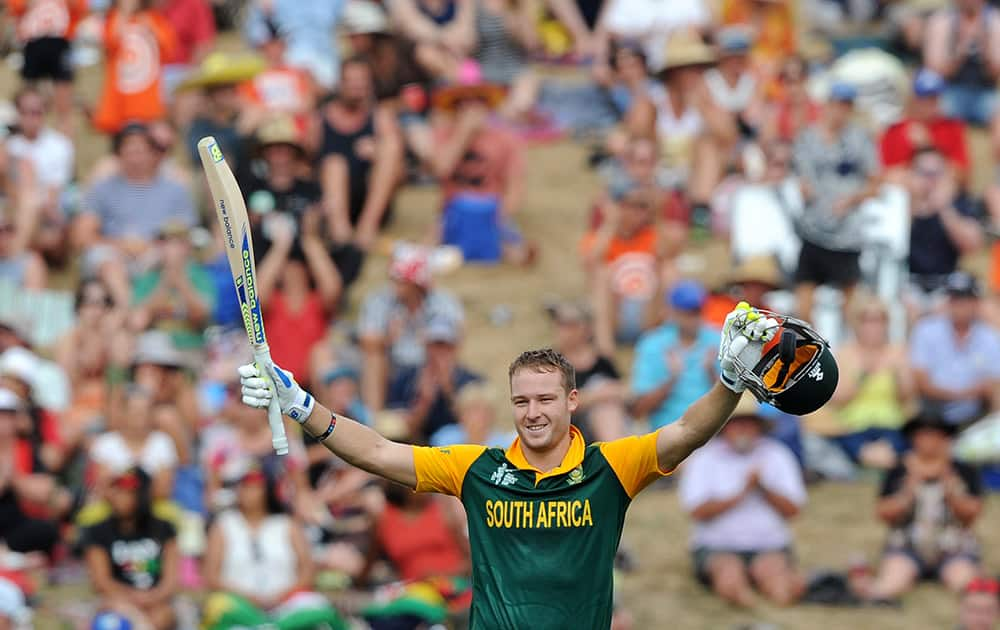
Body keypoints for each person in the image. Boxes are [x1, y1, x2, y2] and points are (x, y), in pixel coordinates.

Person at [237, 302, 783, 629]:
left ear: (572, 402)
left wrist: (731, 381)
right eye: (522, 401)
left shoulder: (611, 466)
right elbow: (379, 452)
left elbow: (687, 432)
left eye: (546, 399)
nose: (533, 412)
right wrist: (302, 406)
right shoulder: (477, 469)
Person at [679, 394, 807, 607]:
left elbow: (794, 510)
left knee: (778, 586)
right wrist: (741, 493)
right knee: (730, 579)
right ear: (724, 427)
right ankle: (751, 606)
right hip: (718, 546)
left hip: (769, 545)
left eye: (748, 424)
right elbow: (696, 510)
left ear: (759, 427)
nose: (743, 430)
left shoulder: (777, 455)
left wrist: (763, 488)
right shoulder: (705, 458)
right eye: (737, 424)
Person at [853, 414, 985, 604]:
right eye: (923, 435)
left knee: (967, 586)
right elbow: (883, 513)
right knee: (888, 585)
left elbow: (971, 514)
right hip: (907, 547)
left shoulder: (963, 470)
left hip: (954, 548)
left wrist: (951, 488)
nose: (928, 442)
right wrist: (908, 491)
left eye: (935, 436)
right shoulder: (898, 470)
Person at [201, 461, 347, 630]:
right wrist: (248, 597)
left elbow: (307, 571)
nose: (248, 492)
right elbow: (211, 576)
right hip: (239, 605)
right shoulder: (223, 526)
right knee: (217, 607)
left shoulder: (287, 524)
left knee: (318, 609)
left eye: (254, 486)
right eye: (244, 486)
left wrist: (281, 596)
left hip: (286, 604)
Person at [792, 81, 881, 321]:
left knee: (852, 307)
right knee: (803, 304)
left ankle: (847, 353)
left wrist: (852, 198)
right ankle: (807, 352)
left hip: (847, 235)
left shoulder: (860, 139)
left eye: (847, 106)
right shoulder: (808, 138)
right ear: (827, 105)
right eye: (837, 104)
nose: (841, 111)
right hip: (814, 229)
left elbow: (875, 182)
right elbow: (803, 182)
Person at [357, 244, 464, 411]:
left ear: (416, 283)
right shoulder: (380, 300)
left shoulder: (442, 302)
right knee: (374, 358)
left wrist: (428, 346)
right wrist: (387, 339)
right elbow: (367, 341)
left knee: (439, 358)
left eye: (402, 281)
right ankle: (374, 421)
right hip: (392, 367)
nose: (395, 285)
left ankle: (454, 416)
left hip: (428, 366)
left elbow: (453, 341)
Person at [319, 56, 405, 252]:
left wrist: (377, 154)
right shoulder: (321, 118)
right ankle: (340, 234)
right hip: (332, 201)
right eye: (352, 81)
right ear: (340, 83)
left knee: (390, 147)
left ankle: (367, 229)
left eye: (362, 81)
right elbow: (305, 165)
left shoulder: (380, 117)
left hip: (369, 198)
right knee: (334, 164)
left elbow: (400, 175)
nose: (357, 86)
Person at [81, 467, 179, 630]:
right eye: (116, 489)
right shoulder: (97, 531)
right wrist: (132, 600)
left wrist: (151, 598)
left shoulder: (163, 528)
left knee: (161, 618)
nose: (119, 496)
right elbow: (101, 581)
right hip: (116, 602)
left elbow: (171, 580)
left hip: (157, 602)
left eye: (127, 491)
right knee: (111, 623)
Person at [827, 296, 915, 467]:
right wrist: (863, 375)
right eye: (866, 320)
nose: (873, 326)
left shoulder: (897, 352)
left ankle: (877, 459)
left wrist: (898, 374)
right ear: (856, 323)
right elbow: (837, 400)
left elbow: (907, 397)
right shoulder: (844, 354)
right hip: (853, 426)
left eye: (879, 320)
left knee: (899, 441)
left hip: (890, 425)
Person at [909, 271, 1000, 426]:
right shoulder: (926, 329)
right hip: (933, 412)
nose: (959, 305)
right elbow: (921, 382)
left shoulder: (989, 337)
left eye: (965, 299)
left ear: (976, 302)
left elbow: (993, 385)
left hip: (976, 413)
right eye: (955, 299)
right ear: (948, 302)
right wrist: (963, 394)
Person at [904, 147, 984, 318]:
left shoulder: (957, 203)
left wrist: (945, 209)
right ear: (910, 174)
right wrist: (914, 203)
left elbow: (973, 245)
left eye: (936, 173)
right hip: (907, 282)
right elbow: (895, 239)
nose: (929, 179)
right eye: (923, 173)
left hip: (946, 284)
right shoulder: (900, 202)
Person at [630, 280, 720, 430]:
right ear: (672, 311)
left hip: (712, 432)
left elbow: (737, 404)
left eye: (696, 311)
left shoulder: (718, 340)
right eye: (686, 311)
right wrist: (671, 380)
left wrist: (711, 373)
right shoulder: (652, 344)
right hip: (666, 431)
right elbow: (639, 409)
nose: (692, 318)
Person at [548, 300, 629, 442]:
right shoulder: (551, 364)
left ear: (586, 329)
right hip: (570, 430)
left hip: (606, 422)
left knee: (605, 399)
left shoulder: (602, 361)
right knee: (603, 396)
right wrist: (595, 396)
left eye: (569, 325)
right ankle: (615, 455)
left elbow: (623, 392)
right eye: (559, 324)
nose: (562, 330)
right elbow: (551, 404)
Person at [880, 69, 970, 181]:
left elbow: (963, 175)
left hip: (942, 192)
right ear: (912, 99)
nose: (931, 104)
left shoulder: (951, 128)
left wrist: (929, 145)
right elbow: (885, 176)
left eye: (935, 97)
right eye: (925, 98)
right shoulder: (895, 130)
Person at [923, 0, 1000, 127]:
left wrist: (985, 46)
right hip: (951, 91)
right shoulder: (942, 21)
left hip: (985, 92)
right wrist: (960, 51)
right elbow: (934, 70)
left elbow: (995, 72)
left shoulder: (995, 21)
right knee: (932, 111)